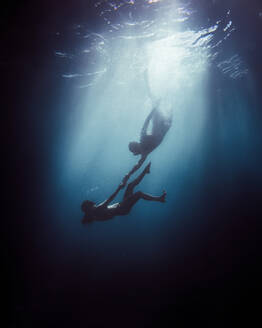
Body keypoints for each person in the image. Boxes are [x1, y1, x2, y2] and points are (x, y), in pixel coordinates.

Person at [81, 162, 166, 224]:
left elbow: (110, 217)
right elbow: (110, 199)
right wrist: (119, 188)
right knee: (139, 193)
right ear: (88, 208)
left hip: (122, 207)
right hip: (123, 207)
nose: (93, 204)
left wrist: (111, 212)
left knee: (130, 185)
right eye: (91, 205)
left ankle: (145, 171)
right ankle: (159, 199)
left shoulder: (96, 216)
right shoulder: (97, 210)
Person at [122, 106, 172, 185]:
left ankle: (158, 103)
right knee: (163, 113)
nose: (135, 142)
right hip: (163, 126)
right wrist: (129, 174)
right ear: (135, 147)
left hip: (162, 126)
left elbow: (138, 165)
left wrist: (129, 174)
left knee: (161, 114)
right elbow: (138, 165)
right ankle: (158, 103)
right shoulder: (144, 150)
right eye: (134, 144)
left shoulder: (143, 147)